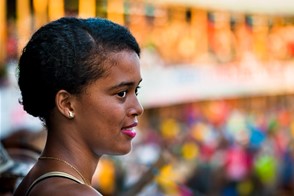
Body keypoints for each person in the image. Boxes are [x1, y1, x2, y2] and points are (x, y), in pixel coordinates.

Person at [13, 17, 144, 196]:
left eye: (136, 91)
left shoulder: (36, 181)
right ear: (67, 104)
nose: (138, 108)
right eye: (121, 93)